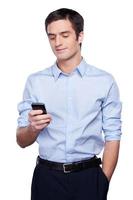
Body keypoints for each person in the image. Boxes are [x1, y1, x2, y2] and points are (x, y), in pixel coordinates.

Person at [16, 8, 122, 200]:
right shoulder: (35, 82)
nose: (57, 43)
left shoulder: (104, 81)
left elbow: (113, 135)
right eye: (52, 37)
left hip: (88, 178)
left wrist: (103, 181)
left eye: (64, 35)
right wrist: (33, 129)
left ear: (80, 36)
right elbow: (21, 140)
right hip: (46, 178)